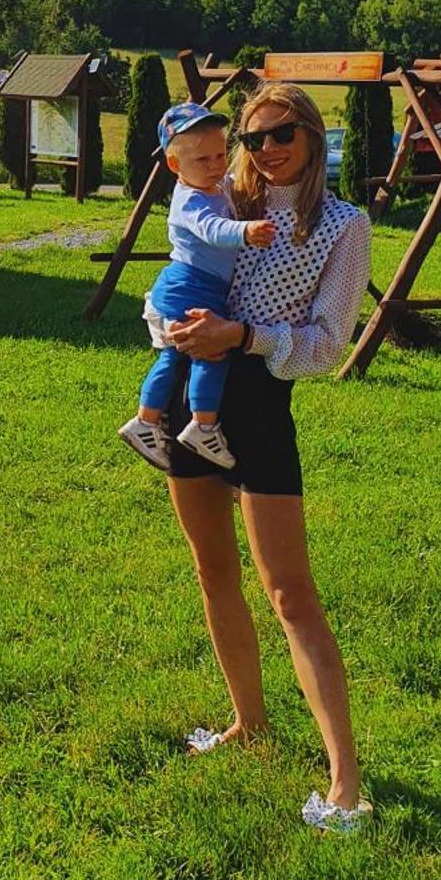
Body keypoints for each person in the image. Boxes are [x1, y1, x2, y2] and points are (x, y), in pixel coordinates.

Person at [161, 83, 375, 833]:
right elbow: (179, 271)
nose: (268, 149)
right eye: (255, 139)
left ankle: (346, 782)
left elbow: (325, 347)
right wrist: (166, 320)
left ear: (313, 136)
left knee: (290, 594)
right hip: (192, 390)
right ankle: (247, 722)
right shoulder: (223, 200)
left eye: (282, 133)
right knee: (212, 569)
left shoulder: (343, 225)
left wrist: (242, 339)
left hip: (257, 403)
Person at [117, 102, 276, 474]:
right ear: (176, 166)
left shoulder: (213, 185)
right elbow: (212, 229)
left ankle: (145, 420)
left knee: (174, 356)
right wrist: (246, 232)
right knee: (211, 353)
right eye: (203, 159)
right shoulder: (189, 199)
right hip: (192, 287)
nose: (217, 165)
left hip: (188, 284)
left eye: (221, 154)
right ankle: (203, 427)